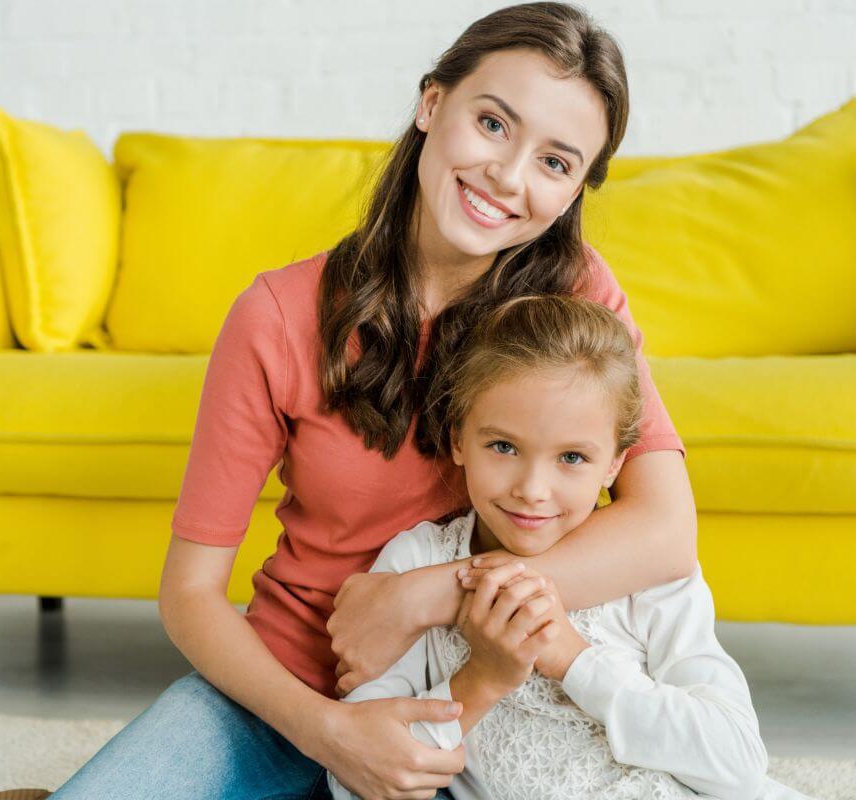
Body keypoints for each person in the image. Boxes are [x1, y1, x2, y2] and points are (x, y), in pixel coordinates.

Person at [50, 4, 698, 799]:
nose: (508, 176)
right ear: (433, 104)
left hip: (494, 700)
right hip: (294, 690)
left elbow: (667, 530)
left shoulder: (579, 298)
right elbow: (189, 595)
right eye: (493, 123)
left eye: (556, 163)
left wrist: (418, 599)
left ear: (573, 193)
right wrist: (328, 731)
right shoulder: (276, 316)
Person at [327, 296, 809, 800]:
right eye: (504, 447)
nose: (533, 489)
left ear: (614, 466)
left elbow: (739, 762)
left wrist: (572, 659)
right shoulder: (417, 562)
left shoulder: (644, 573)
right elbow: (358, 776)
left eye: (572, 457)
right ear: (457, 438)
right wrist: (482, 680)